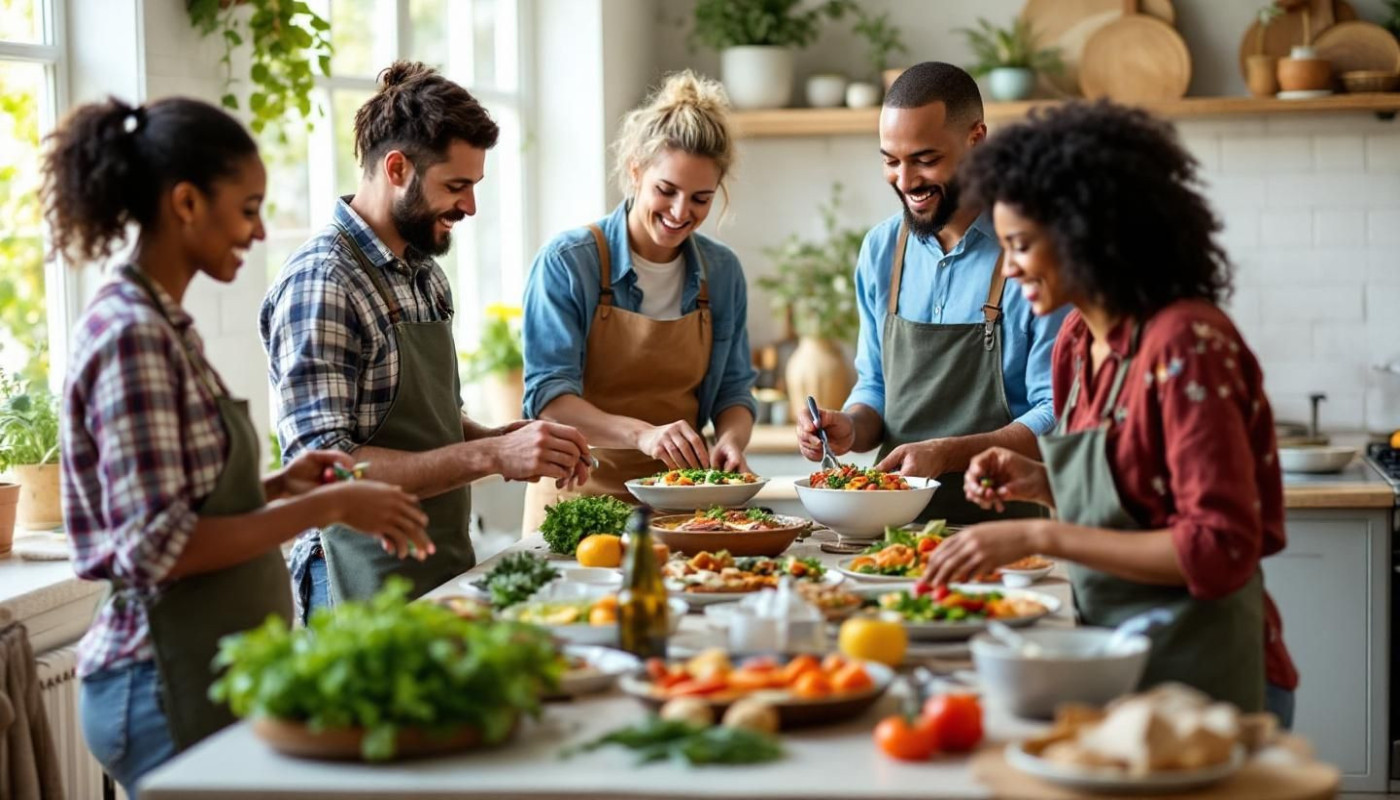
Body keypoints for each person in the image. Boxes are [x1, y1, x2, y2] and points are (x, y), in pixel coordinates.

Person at [46, 96, 430, 793]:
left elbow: (186, 506)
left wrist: (284, 486)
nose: (258, 233)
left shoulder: (165, 324)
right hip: (160, 675)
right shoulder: (132, 335)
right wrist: (327, 507)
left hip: (200, 666)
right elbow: (157, 547)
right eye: (248, 208)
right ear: (186, 202)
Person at [919, 101, 1299, 721]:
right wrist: (1043, 485)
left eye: (1021, 245)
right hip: (1113, 660)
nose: (1008, 267)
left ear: (1086, 233)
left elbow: (1219, 548)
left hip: (1206, 676)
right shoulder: (1076, 341)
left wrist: (1039, 531)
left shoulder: (1186, 345)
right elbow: (1138, 503)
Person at [262, 62, 591, 618]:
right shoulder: (323, 282)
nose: (469, 207)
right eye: (455, 186)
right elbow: (322, 468)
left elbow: (431, 421)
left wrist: (503, 438)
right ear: (396, 168)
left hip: (440, 569)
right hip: (356, 583)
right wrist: (490, 454)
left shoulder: (424, 272)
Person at [797, 62, 1066, 525]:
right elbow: (877, 387)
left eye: (925, 159)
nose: (905, 181)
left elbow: (1056, 415)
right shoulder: (881, 250)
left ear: (977, 140)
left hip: (1010, 531)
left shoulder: (1033, 252)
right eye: (890, 160)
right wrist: (849, 427)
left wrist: (947, 454)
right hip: (897, 537)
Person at [519, 70, 757, 533]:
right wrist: (642, 435)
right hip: (577, 504)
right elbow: (548, 399)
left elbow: (734, 390)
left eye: (701, 199)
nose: (680, 212)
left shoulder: (722, 273)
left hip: (683, 513)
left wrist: (731, 439)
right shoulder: (570, 263)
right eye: (666, 191)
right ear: (635, 170)